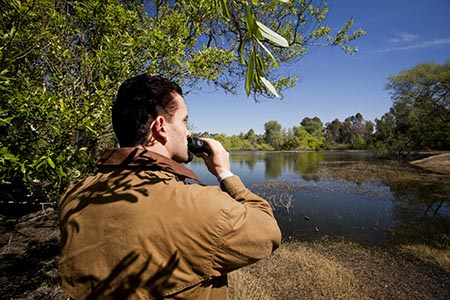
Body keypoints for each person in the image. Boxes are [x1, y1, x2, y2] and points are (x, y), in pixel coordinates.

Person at [58, 74, 282, 299]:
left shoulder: (75, 193)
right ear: (161, 127)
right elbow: (268, 232)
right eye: (184, 121)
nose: (188, 132)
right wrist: (225, 173)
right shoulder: (201, 206)